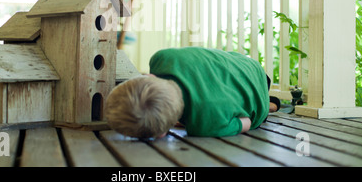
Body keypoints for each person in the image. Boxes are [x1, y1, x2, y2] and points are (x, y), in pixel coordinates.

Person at [104, 47, 280, 138]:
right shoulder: (161, 58)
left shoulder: (204, 125)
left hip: (258, 99)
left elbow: (247, 121)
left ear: (161, 134)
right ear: (148, 76)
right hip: (249, 66)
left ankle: (270, 105)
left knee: (251, 110)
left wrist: (185, 121)